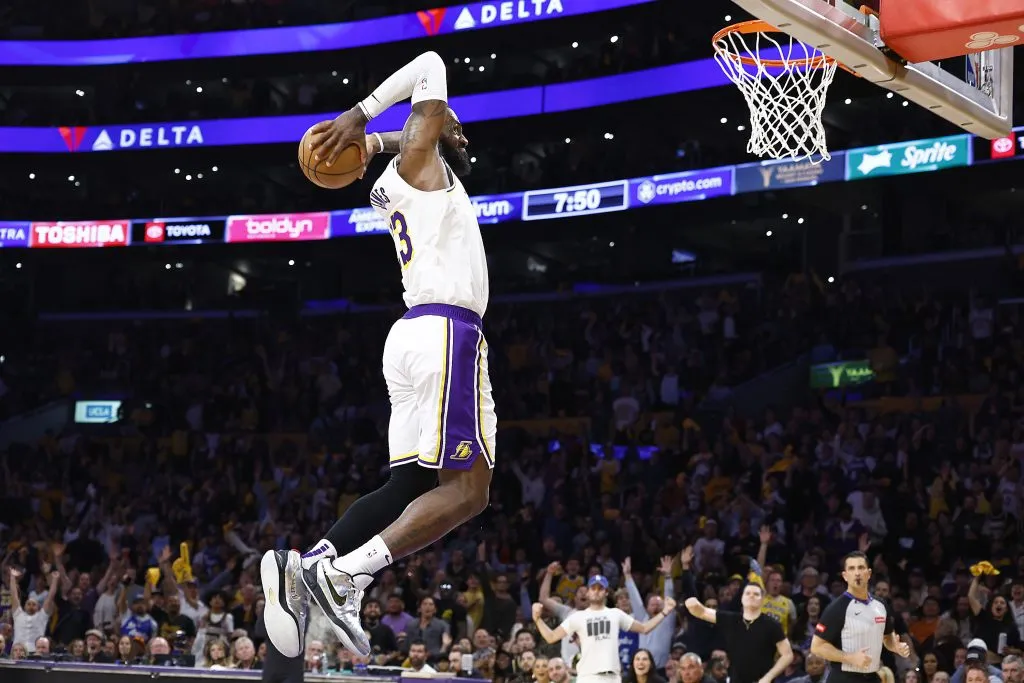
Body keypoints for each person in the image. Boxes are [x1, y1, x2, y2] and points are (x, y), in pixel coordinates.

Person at [261, 49, 494, 661]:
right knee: (467, 490)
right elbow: (431, 61)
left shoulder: (396, 178)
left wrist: (377, 141)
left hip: (413, 335)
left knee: (417, 482)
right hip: (447, 331)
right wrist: (359, 115)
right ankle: (345, 577)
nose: (445, 120)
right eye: (438, 120)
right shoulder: (420, 166)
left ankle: (307, 564)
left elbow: (413, 133)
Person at [532, 575, 677, 683]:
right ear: (588, 592)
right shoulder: (577, 616)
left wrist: (665, 612)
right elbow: (551, 637)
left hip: (612, 677)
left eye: (600, 588)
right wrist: (537, 619)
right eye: (593, 588)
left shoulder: (615, 614)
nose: (596, 591)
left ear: (606, 592)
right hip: (587, 677)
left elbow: (644, 628)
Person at [810, 551, 911, 683]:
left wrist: (895, 646)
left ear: (868, 574)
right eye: (852, 568)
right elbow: (817, 647)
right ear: (845, 576)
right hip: (844, 678)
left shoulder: (881, 605)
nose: (857, 573)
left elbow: (887, 637)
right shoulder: (836, 608)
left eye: (861, 568)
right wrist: (849, 658)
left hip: (872, 677)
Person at [684, 581, 794, 683]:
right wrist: (691, 603)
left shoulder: (772, 625)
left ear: (762, 600)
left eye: (756, 594)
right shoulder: (730, 619)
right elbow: (702, 612)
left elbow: (787, 655)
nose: (751, 596)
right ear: (742, 598)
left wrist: (768, 677)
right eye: (748, 593)